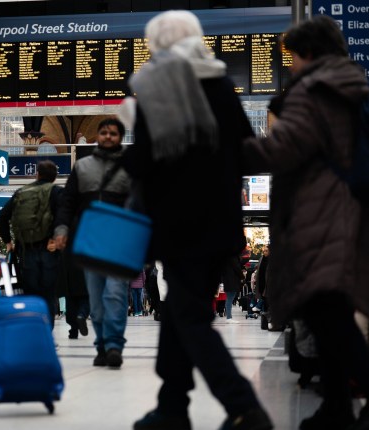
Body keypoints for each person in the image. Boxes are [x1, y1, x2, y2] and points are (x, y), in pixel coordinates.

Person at [120, 11, 272, 430]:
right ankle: (172, 408)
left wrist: (132, 143)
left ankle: (244, 407)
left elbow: (148, 161)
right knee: (179, 313)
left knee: (188, 316)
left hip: (178, 225)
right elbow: (246, 150)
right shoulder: (220, 81)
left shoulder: (156, 84)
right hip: (221, 222)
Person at [242, 15, 369, 430]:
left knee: (327, 310)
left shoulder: (312, 91)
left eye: (293, 56)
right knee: (327, 309)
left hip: (318, 209)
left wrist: (232, 147)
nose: (289, 66)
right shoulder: (346, 86)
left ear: (310, 54)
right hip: (343, 206)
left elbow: (284, 150)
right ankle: (337, 405)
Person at [55, 117, 132, 369]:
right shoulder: (82, 167)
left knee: (116, 294)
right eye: (104, 132)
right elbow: (68, 202)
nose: (108, 136)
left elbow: (140, 205)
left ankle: (114, 346)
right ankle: (101, 345)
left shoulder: (130, 167)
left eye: (113, 133)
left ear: (120, 137)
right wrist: (62, 229)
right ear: (97, 136)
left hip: (119, 241)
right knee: (97, 300)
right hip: (89, 241)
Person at [0, 160, 62, 328]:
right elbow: (64, 217)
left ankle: (33, 331)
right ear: (55, 177)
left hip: (25, 252)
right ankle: (46, 333)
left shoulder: (21, 192)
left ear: (37, 174)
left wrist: (8, 242)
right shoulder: (56, 192)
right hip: (49, 250)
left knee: (30, 295)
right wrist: (57, 238)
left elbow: (3, 217)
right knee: (48, 294)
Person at [221, 254, 243, 323]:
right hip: (232, 281)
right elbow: (237, 268)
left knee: (229, 298)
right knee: (230, 298)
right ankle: (229, 317)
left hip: (228, 280)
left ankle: (229, 317)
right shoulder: (233, 257)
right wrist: (242, 276)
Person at [251, 246, 269, 313]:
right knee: (263, 296)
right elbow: (259, 269)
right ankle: (264, 312)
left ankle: (260, 308)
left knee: (266, 296)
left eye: (266, 251)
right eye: (264, 251)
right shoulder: (261, 258)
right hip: (261, 281)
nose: (265, 252)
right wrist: (255, 276)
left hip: (268, 281)